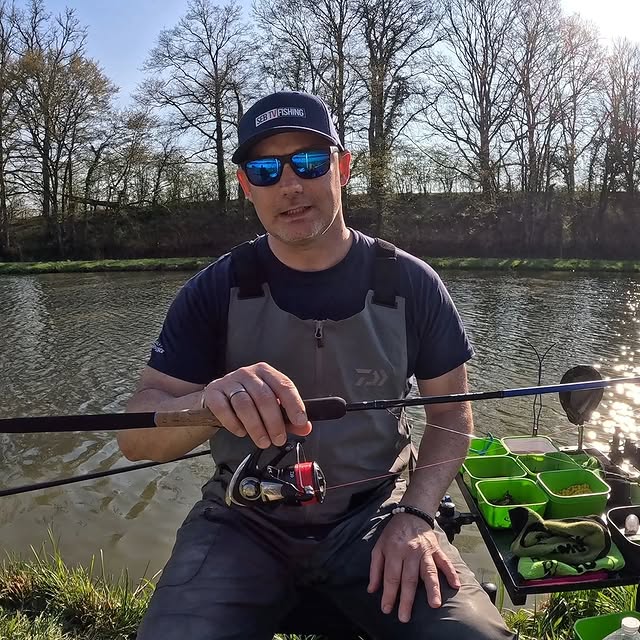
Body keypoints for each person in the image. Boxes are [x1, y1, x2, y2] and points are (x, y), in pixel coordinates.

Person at [119, 90, 516, 640]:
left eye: (308, 161)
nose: (290, 184)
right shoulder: (213, 290)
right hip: (242, 518)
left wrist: (418, 513)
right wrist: (206, 405)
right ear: (246, 186)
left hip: (376, 515)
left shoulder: (412, 283)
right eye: (265, 170)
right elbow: (135, 437)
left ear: (343, 168)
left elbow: (451, 414)